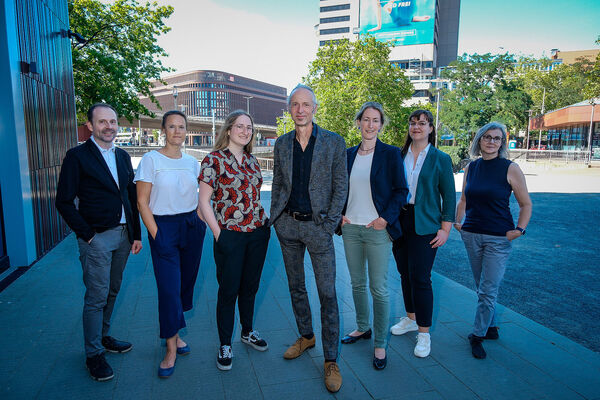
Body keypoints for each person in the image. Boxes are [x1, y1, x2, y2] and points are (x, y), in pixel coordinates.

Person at [55, 103, 142, 381]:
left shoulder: (123, 156)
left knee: (112, 290)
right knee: (96, 297)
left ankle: (103, 338)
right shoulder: (77, 156)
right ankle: (93, 355)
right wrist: (88, 235)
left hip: (124, 236)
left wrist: (137, 234)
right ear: (91, 126)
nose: (109, 127)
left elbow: (131, 197)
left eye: (113, 122)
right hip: (97, 238)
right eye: (103, 122)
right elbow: (64, 202)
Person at [269, 84, 347, 393]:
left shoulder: (333, 142)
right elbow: (277, 183)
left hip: (318, 229)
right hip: (288, 226)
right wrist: (275, 218)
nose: (300, 109)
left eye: (306, 104)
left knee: (327, 293)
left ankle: (330, 359)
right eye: (295, 105)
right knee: (296, 287)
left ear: (314, 107)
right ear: (290, 109)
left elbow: (340, 187)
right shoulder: (282, 143)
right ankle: (306, 335)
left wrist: (327, 226)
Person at [134, 110, 207, 378]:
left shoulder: (192, 162)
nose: (177, 131)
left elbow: (198, 197)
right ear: (163, 130)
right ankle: (170, 348)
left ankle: (177, 334)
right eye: (172, 127)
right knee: (168, 289)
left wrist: (199, 224)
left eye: (181, 127)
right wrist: (156, 234)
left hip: (190, 226)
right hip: (163, 227)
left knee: (185, 284)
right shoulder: (151, 160)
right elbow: (142, 201)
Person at [198, 110, 271, 371]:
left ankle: (248, 331)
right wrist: (219, 234)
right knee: (228, 290)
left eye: (249, 127)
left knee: (250, 287)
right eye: (239, 126)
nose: (244, 131)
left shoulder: (253, 162)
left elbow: (254, 198)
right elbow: (203, 202)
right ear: (228, 130)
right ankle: (225, 343)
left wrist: (264, 226)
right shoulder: (213, 160)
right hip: (230, 235)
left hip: (257, 234)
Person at [454, 122, 532, 359]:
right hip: (472, 234)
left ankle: (477, 336)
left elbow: (526, 204)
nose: (491, 141)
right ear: (479, 140)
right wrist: (459, 223)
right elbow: (464, 200)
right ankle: (492, 326)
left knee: (488, 289)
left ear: (502, 143)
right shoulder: (472, 167)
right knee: (482, 286)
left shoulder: (510, 168)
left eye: (497, 138)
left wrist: (519, 230)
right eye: (487, 137)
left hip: (498, 238)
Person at [340, 102, 408, 370]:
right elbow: (337, 188)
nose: (370, 125)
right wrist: (339, 214)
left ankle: (380, 343)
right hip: (350, 229)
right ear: (358, 122)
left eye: (375, 120)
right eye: (365, 119)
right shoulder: (347, 155)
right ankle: (362, 328)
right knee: (356, 284)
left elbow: (401, 191)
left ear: (381, 124)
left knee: (378, 288)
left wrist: (385, 219)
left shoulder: (390, 154)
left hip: (376, 229)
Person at [389, 109, 455, 358]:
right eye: (413, 122)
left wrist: (446, 227)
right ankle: (410, 318)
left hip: (425, 223)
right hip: (400, 220)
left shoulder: (440, 158)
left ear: (430, 129)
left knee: (421, 278)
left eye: (422, 123)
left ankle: (424, 333)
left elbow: (448, 195)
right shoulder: (398, 155)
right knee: (404, 273)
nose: (416, 126)